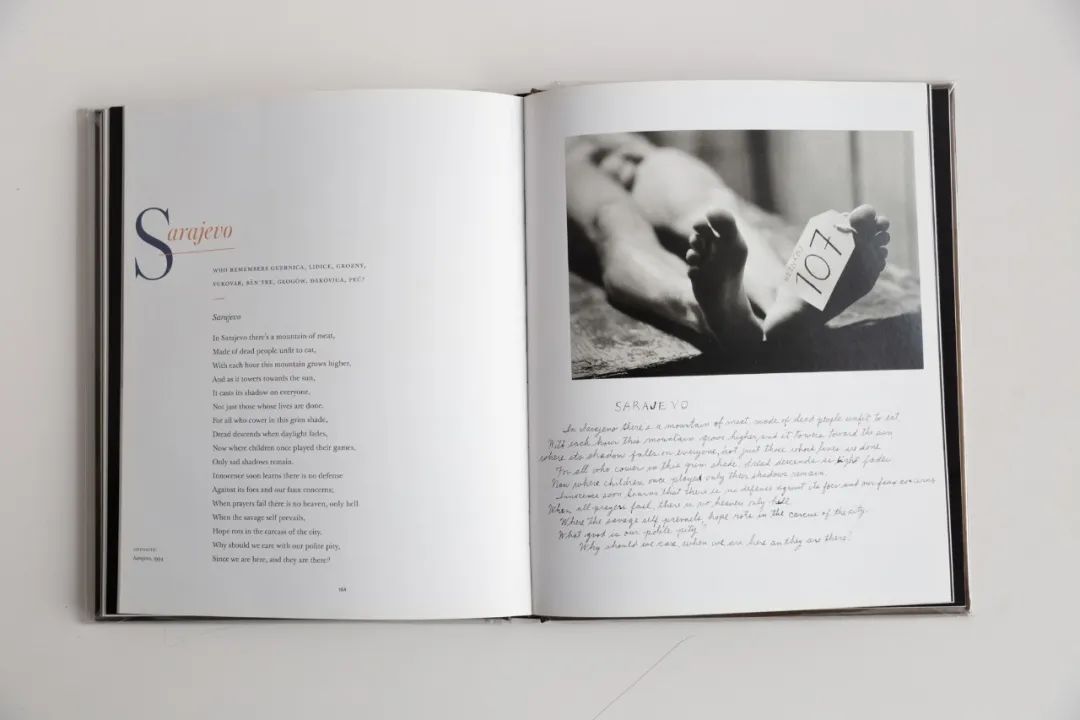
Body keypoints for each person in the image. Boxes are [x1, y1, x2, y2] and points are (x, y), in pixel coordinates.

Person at [565, 133, 892, 355]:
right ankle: (718, 309)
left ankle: (780, 299)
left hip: (622, 151)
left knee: (707, 206)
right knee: (619, 220)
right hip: (580, 158)